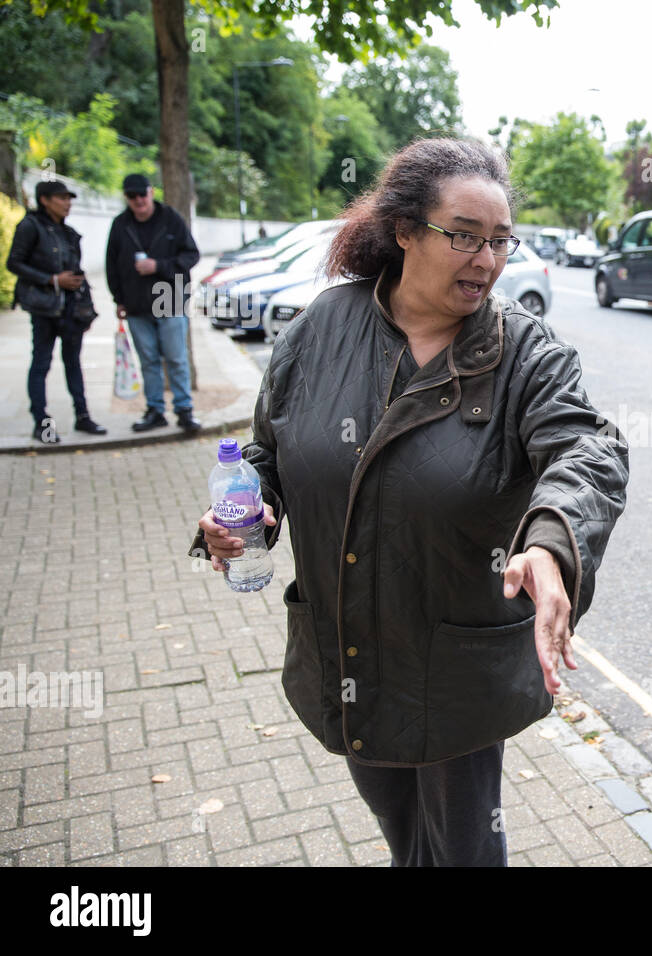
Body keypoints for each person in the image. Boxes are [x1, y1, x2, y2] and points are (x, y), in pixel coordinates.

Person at [193, 137, 629, 866]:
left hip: (452, 668)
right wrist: (248, 505)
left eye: (500, 241)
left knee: (463, 852)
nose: (487, 260)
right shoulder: (318, 330)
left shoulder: (526, 355)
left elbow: (588, 450)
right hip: (348, 649)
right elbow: (268, 448)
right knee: (404, 838)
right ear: (403, 230)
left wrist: (552, 541)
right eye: (464, 236)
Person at [6, 180, 106, 443]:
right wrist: (52, 279)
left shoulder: (67, 232)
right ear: (45, 200)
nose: (67, 203)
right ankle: (42, 423)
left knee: (73, 363)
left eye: (69, 198)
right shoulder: (30, 226)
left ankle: (83, 416)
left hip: (71, 309)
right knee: (41, 363)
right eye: (61, 198)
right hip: (44, 308)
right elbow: (13, 263)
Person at [105, 172, 202, 433]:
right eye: (132, 195)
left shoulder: (171, 219)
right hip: (136, 305)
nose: (138, 200)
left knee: (176, 359)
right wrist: (119, 299)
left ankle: (184, 410)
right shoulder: (120, 225)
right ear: (127, 198)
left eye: (142, 194)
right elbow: (111, 265)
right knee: (148, 360)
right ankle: (155, 410)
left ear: (151, 192)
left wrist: (158, 266)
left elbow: (191, 255)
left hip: (170, 301)